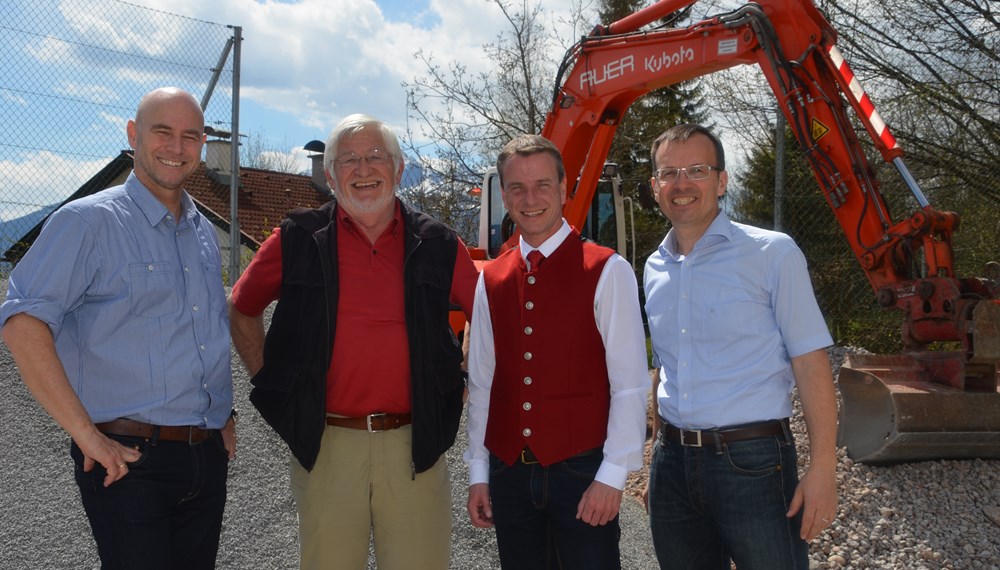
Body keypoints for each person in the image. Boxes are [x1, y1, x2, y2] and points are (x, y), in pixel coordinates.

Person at [228, 113, 478, 570]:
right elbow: (241, 308)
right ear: (330, 175)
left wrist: (462, 377)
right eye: (348, 160)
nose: (363, 170)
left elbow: (488, 319)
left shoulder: (439, 244)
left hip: (415, 444)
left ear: (399, 169)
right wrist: (272, 383)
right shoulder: (296, 239)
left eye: (375, 157)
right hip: (327, 444)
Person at [0, 87, 235, 569]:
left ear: (203, 145)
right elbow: (23, 325)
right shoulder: (87, 222)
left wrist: (224, 419)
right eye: (162, 132)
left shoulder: (204, 233)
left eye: (190, 136)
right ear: (133, 135)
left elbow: (204, 332)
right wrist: (86, 435)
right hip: (128, 462)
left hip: (204, 459)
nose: (176, 147)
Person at [642, 123, 839, 569]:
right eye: (669, 173)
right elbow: (665, 366)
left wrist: (824, 467)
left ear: (722, 180)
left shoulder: (772, 254)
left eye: (696, 169)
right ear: (655, 187)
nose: (682, 183)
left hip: (752, 464)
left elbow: (810, 363)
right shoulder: (654, 268)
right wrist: (659, 454)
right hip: (673, 464)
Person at [464, 134, 650, 569]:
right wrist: (478, 473)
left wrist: (612, 476)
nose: (530, 198)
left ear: (564, 189)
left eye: (542, 185)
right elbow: (483, 382)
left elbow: (630, 384)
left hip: (582, 472)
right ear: (504, 195)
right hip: (510, 474)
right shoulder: (490, 279)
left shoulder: (607, 269)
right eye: (517, 188)